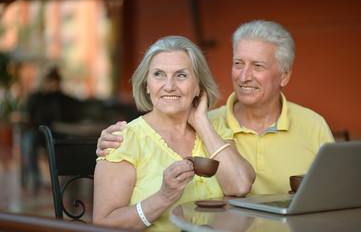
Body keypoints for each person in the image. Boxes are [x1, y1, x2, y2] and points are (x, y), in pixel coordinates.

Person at [96, 20, 335, 195]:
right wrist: (115, 141)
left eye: (258, 66)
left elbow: (336, 193)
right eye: (238, 63)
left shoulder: (313, 125)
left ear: (284, 76)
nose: (244, 76)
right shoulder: (211, 124)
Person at [92, 36, 255, 231]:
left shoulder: (215, 129)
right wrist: (163, 197)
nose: (169, 86)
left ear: (198, 88)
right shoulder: (123, 139)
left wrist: (201, 122)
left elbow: (240, 186)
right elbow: (103, 225)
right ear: (147, 85)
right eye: (159, 74)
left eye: (181, 75)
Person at [21, 66, 79, 189]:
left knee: (72, 144)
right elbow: (27, 112)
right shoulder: (37, 97)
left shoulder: (63, 98)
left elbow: (72, 115)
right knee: (28, 139)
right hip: (39, 133)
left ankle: (68, 179)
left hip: (59, 134)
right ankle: (34, 175)